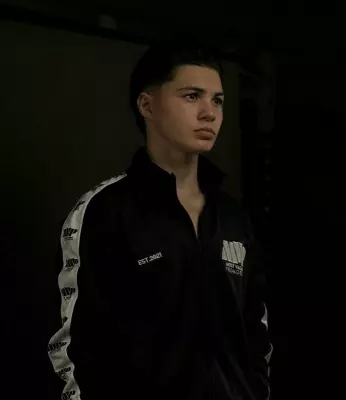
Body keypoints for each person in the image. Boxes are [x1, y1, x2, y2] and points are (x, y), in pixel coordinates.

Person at [48, 41, 272, 400]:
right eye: (192, 96)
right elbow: (78, 346)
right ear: (147, 105)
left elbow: (255, 333)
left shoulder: (233, 217)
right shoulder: (106, 210)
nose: (209, 113)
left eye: (217, 100)